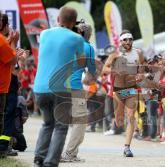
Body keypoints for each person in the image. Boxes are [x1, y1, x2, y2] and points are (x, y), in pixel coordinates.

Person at [33, 7, 85, 167]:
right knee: (61, 127)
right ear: (73, 22)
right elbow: (81, 63)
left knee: (47, 124)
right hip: (61, 89)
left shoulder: (44, 34)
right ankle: (50, 162)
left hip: (40, 87)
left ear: (58, 19)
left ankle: (39, 158)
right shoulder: (77, 38)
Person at [102, 30, 144, 157]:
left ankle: (127, 147)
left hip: (131, 88)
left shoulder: (138, 53)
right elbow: (104, 69)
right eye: (125, 40)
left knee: (131, 115)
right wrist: (115, 70)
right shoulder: (115, 54)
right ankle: (119, 124)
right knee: (119, 120)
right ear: (120, 42)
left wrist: (140, 75)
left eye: (130, 39)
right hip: (119, 89)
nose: (128, 42)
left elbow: (141, 68)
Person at [61, 22, 96, 162]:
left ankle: (70, 153)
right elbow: (92, 70)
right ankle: (69, 153)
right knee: (80, 122)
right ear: (88, 34)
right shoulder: (87, 47)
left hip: (60, 87)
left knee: (61, 122)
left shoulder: (67, 46)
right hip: (75, 87)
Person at [0, 12, 18, 158]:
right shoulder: (1, 41)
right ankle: (2, 150)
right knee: (4, 117)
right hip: (1, 86)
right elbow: (13, 61)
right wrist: (13, 42)